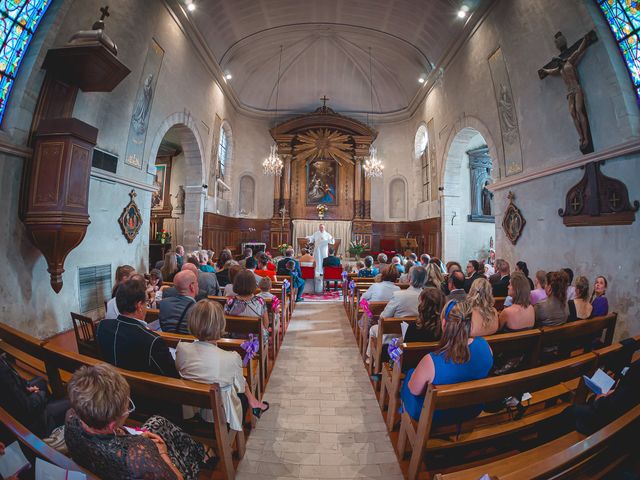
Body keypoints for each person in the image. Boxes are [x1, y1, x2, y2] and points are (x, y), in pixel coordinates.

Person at [64, 363, 204, 479]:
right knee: (167, 441)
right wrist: (163, 454)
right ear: (112, 424)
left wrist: (130, 436)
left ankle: (199, 451)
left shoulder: (71, 417)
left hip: (102, 461)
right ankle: (199, 457)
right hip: (130, 466)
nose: (128, 408)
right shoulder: (140, 455)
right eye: (127, 406)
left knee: (158, 422)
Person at [176, 301, 269, 431]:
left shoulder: (181, 349)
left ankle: (253, 402)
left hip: (192, 411)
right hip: (221, 419)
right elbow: (239, 388)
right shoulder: (231, 357)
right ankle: (253, 402)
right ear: (221, 324)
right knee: (240, 388)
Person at [401, 300, 493, 424]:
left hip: (435, 415)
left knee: (409, 378)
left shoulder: (431, 361)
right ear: (470, 323)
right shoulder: (485, 346)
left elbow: (414, 391)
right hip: (472, 409)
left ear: (444, 323)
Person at [97, 278, 178, 377]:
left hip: (110, 380)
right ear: (139, 306)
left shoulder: (102, 326)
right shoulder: (153, 341)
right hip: (141, 389)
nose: (146, 306)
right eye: (146, 302)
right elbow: (172, 375)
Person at [0, 354, 69, 437]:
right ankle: (51, 425)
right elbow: (26, 407)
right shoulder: (2, 373)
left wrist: (26, 387)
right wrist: (39, 394)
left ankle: (51, 406)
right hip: (27, 421)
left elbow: (15, 379)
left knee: (41, 382)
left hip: (20, 402)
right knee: (70, 402)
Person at [366, 267, 426, 362]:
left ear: (409, 279)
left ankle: (372, 360)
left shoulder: (399, 295)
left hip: (394, 336)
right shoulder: (427, 297)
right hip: (416, 336)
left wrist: (373, 316)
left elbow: (383, 317)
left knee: (373, 329)